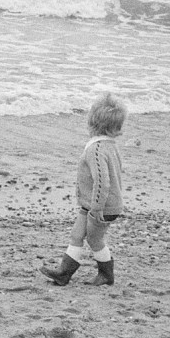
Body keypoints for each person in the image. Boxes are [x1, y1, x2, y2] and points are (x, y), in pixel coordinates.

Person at [40, 93, 127, 286]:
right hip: (92, 203)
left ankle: (106, 274)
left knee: (95, 240)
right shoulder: (110, 146)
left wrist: (96, 208)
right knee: (77, 234)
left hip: (101, 206)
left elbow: (103, 182)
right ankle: (64, 273)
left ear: (92, 122)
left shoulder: (95, 150)